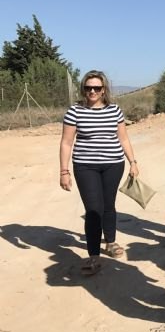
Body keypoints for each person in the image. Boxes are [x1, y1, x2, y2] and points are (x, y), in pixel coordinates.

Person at [59, 70, 139, 276]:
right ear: (83, 89)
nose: (92, 91)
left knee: (109, 205)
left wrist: (133, 162)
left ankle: (110, 242)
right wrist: (64, 171)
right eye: (88, 88)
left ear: (104, 90)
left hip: (113, 164)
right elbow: (67, 143)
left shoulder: (114, 110)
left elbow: (123, 139)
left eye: (96, 88)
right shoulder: (75, 111)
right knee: (94, 209)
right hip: (85, 166)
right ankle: (93, 255)